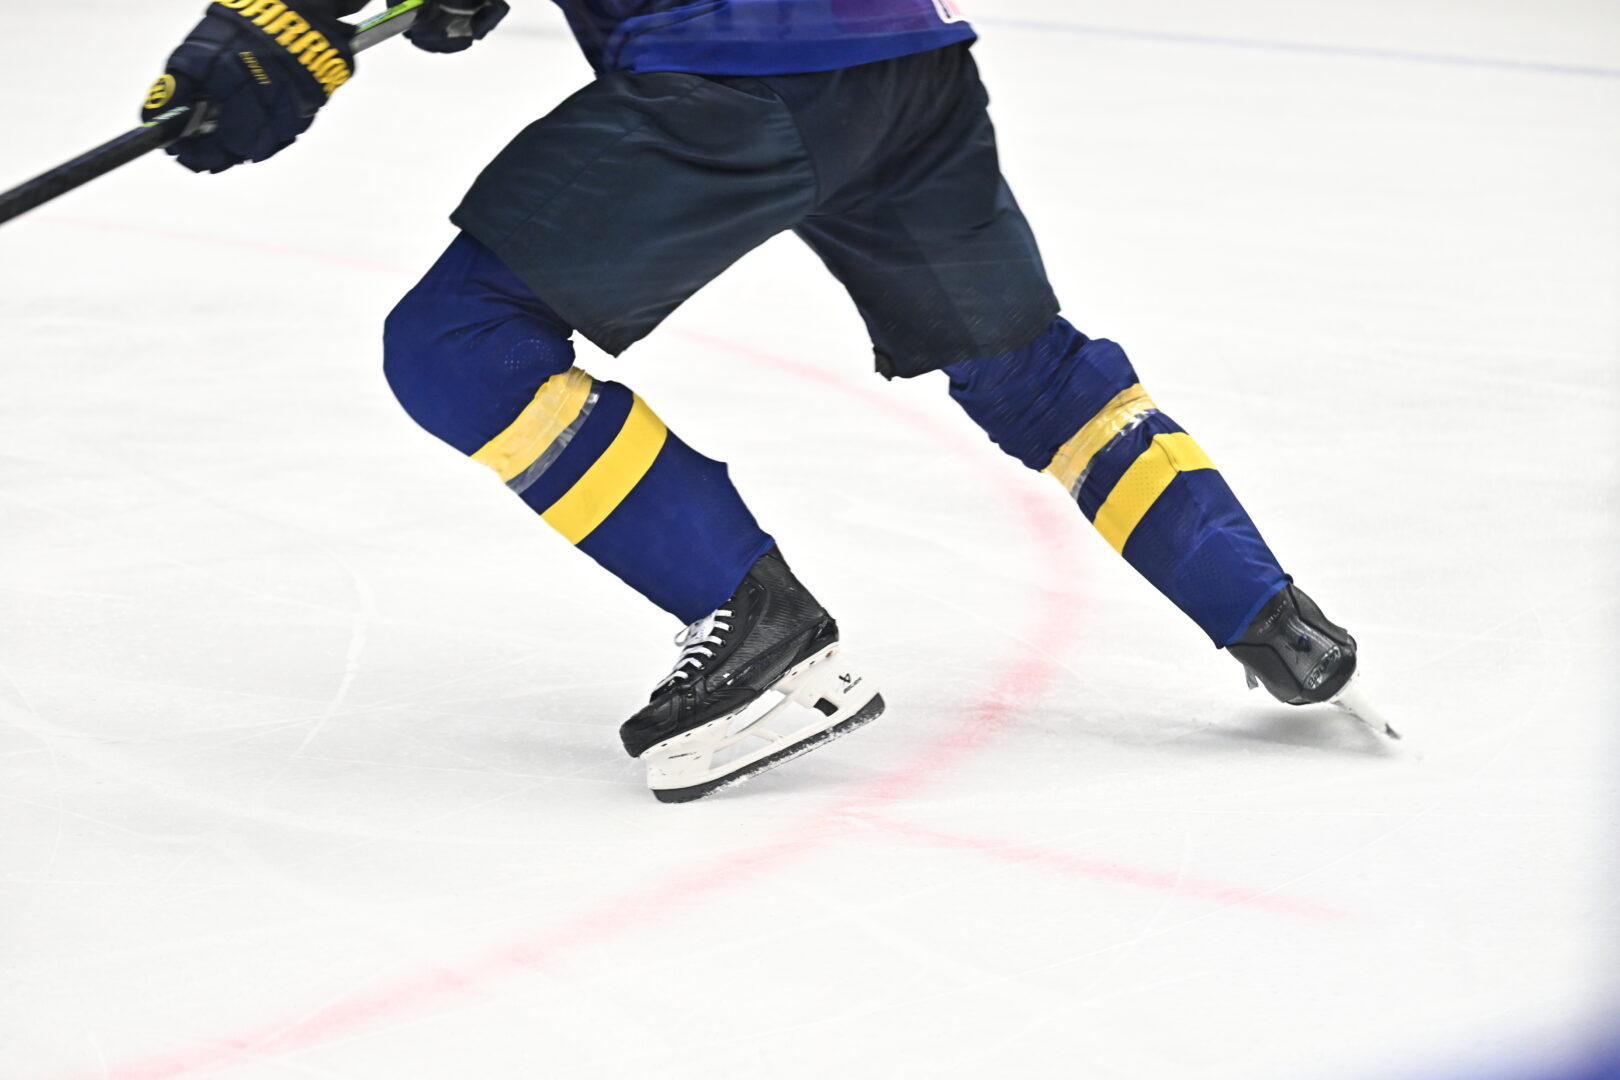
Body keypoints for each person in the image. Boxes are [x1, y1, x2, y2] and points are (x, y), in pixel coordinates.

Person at [141, 0, 1390, 803]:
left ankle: (762, 631)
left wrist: (270, 25)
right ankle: (1269, 616)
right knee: (1031, 369)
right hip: (907, 61)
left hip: (736, 67)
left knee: (455, 343)